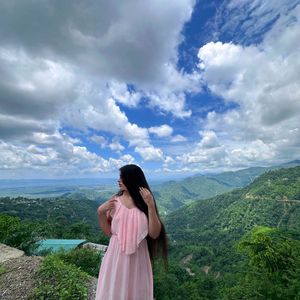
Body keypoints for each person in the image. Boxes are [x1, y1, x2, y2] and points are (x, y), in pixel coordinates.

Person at [95, 164, 168, 300]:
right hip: (115, 255)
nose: (119, 180)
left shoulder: (145, 202)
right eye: (120, 177)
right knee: (114, 291)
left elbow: (154, 234)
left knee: (136, 292)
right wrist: (100, 212)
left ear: (132, 180)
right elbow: (108, 232)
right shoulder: (114, 201)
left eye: (123, 177)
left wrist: (151, 205)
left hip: (138, 256)